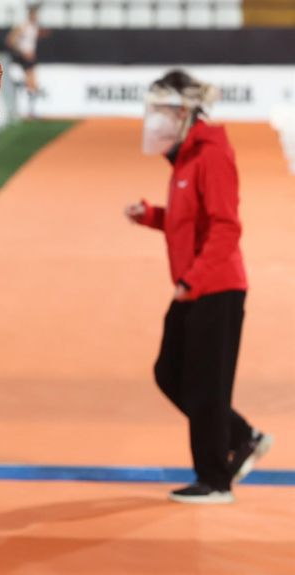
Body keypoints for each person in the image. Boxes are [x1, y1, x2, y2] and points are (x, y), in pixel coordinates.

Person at [125, 70, 272, 504]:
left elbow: (226, 227)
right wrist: (152, 215)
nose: (152, 118)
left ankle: (216, 480)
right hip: (195, 286)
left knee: (206, 386)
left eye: (159, 109)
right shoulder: (186, 156)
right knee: (169, 373)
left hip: (217, 287)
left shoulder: (212, 154)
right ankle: (244, 436)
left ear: (183, 111)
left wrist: (194, 279)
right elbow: (191, 221)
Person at [6, 3, 43, 106]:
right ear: (30, 15)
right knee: (31, 82)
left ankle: (31, 106)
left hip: (30, 56)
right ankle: (29, 108)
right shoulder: (23, 26)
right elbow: (10, 40)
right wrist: (22, 51)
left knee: (33, 83)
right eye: (34, 14)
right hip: (23, 56)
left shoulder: (34, 26)